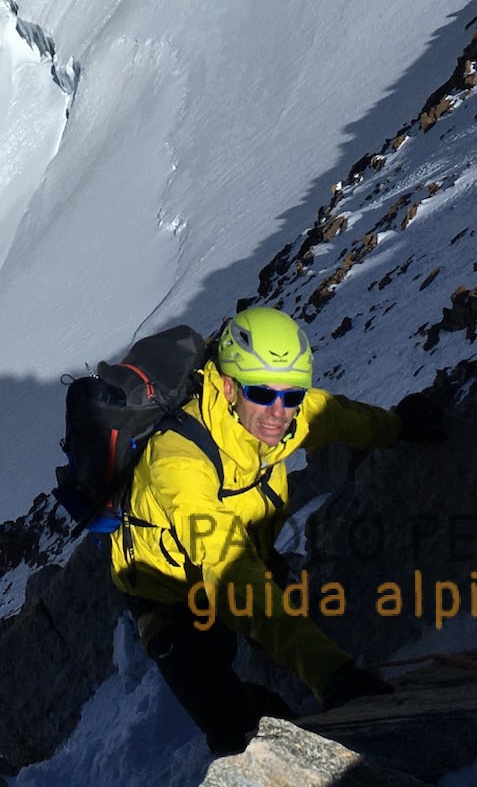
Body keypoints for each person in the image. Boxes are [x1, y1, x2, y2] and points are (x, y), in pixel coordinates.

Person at [108, 305, 440, 755]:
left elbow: (336, 415)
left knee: (283, 623)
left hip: (248, 551)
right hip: (170, 598)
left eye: (292, 394)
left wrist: (399, 425)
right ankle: (276, 726)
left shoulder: (279, 417)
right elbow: (231, 574)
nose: (279, 412)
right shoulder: (178, 462)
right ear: (227, 386)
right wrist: (332, 674)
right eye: (262, 392)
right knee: (230, 725)